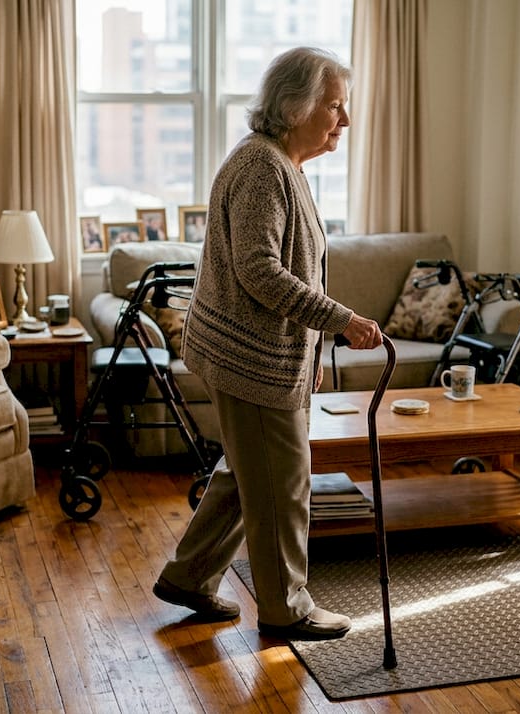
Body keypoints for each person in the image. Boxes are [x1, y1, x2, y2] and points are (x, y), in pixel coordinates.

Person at [151, 47, 382, 641]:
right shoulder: (262, 167)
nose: (345, 121)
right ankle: (287, 608)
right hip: (248, 358)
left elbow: (297, 270)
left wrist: (313, 357)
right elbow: (261, 272)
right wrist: (342, 322)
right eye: (335, 106)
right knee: (283, 483)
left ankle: (188, 577)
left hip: (266, 356)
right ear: (293, 105)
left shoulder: (284, 165)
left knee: (248, 473)